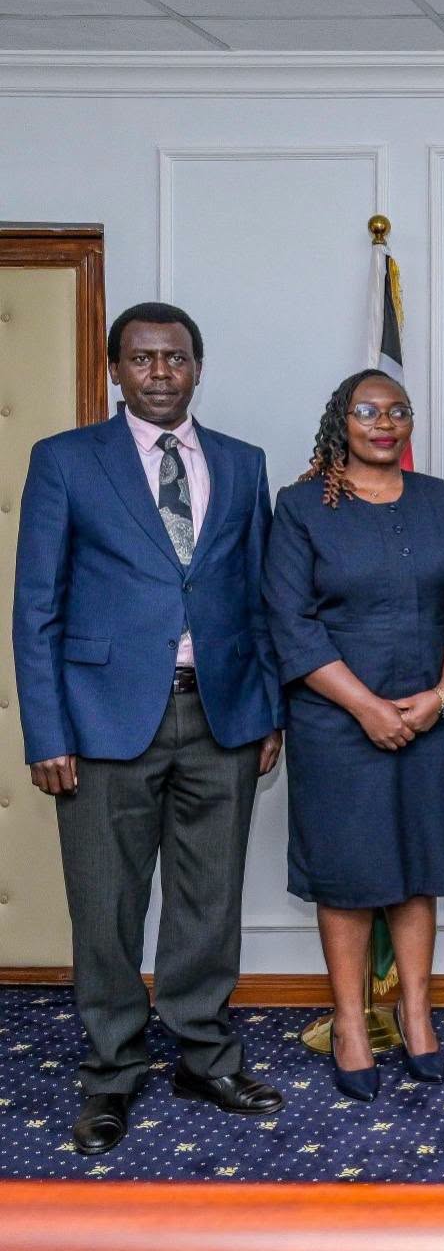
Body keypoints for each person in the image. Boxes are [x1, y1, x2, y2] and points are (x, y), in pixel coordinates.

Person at [12, 301, 285, 1156]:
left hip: (222, 712)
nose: (160, 372)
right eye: (142, 358)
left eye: (175, 358)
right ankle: (111, 1071)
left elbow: (259, 596)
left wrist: (267, 708)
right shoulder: (65, 460)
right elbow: (35, 606)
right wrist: (46, 731)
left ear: (197, 368)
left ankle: (205, 1054)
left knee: (210, 899)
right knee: (107, 905)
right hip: (100, 720)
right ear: (115, 371)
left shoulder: (242, 463)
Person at [264, 369, 444, 1101]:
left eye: (397, 411)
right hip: (336, 722)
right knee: (348, 873)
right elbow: (290, 621)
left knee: (419, 866)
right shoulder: (302, 507)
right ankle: (352, 1023)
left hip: (430, 718)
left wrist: (442, 697)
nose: (383, 423)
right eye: (366, 411)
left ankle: (416, 1014)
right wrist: (365, 707)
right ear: (342, 421)